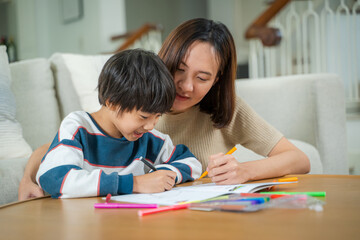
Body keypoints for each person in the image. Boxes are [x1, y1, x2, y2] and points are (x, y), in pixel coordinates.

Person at [19, 18, 309, 201]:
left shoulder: (219, 111)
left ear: (217, 80)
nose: (185, 86)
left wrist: (245, 171)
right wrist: (26, 180)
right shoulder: (131, 104)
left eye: (202, 77)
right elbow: (59, 152)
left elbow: (298, 159)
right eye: (178, 70)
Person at [35, 49, 201, 198]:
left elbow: (191, 163)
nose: (151, 126)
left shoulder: (149, 138)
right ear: (112, 102)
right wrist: (136, 184)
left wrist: (164, 175)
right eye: (143, 117)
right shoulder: (78, 128)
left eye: (157, 116)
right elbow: (53, 178)